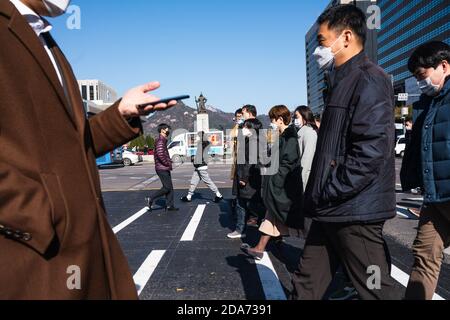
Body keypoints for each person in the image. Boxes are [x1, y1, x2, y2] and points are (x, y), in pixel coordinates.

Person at [0, 0, 177, 300]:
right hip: (34, 259)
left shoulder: (44, 38)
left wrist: (120, 114)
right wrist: (40, 212)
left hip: (83, 253)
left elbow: (70, 146)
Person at [291, 4, 397, 300]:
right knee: (306, 283)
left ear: (346, 37)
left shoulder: (369, 79)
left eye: (323, 41)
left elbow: (372, 150)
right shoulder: (340, 81)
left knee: (375, 289)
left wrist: (331, 188)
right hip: (331, 209)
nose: (318, 50)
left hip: (354, 211)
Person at [400, 41, 450, 300]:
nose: (420, 82)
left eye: (422, 76)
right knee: (424, 256)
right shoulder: (424, 104)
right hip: (434, 198)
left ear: (444, 66)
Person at [241, 105, 304, 259]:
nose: (271, 122)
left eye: (272, 119)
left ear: (280, 119)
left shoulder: (289, 136)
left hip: (284, 186)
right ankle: (260, 248)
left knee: (296, 220)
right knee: (272, 215)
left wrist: (275, 178)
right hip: (280, 185)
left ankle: (262, 247)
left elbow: (288, 162)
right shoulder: (282, 135)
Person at [228, 119, 264, 239]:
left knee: (249, 205)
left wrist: (244, 178)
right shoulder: (250, 140)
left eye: (246, 127)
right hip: (246, 177)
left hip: (248, 179)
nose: (243, 129)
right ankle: (241, 229)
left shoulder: (254, 142)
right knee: (243, 204)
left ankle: (269, 232)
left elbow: (250, 163)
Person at [181, 131, 223, 203]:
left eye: (197, 136)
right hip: (199, 166)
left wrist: (194, 160)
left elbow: (200, 156)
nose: (196, 138)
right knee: (194, 181)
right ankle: (189, 196)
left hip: (201, 166)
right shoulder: (205, 144)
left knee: (208, 181)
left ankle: (218, 195)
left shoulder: (201, 144)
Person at [146, 124, 179, 212]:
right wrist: (167, 163)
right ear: (163, 130)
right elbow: (160, 154)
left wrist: (168, 163)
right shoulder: (160, 141)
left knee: (170, 188)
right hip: (162, 168)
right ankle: (151, 198)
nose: (168, 131)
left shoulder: (162, 140)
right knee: (167, 188)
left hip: (164, 167)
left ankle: (170, 206)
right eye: (167, 129)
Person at [293, 106, 318, 190]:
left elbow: (307, 158)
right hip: (299, 174)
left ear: (305, 116)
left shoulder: (309, 132)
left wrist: (300, 178)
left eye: (297, 117)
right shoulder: (301, 131)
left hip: (305, 177)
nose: (295, 120)